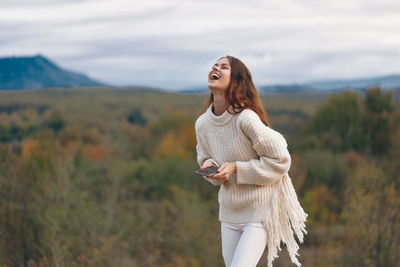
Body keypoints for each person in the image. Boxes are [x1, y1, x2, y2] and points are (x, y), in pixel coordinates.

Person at [194, 56, 308, 267]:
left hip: (260, 210)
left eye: (223, 67)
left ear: (236, 80)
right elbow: (205, 157)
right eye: (214, 66)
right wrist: (212, 170)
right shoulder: (202, 124)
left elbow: (281, 159)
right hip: (229, 211)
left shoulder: (246, 118)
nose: (215, 68)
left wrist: (237, 168)